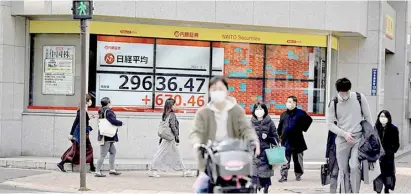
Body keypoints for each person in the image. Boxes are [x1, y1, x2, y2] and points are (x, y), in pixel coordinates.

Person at [189, 76, 260, 176]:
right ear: (209, 92)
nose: (217, 92)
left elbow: (246, 128)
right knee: (202, 187)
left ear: (227, 91)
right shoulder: (203, 112)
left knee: (244, 185)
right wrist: (197, 143)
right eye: (214, 89)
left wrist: (253, 140)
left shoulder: (236, 110)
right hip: (210, 158)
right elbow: (196, 132)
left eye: (220, 89)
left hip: (234, 156)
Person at [326, 78, 373, 193]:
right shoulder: (334, 102)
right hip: (342, 140)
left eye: (347, 92)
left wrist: (369, 137)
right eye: (342, 92)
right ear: (338, 91)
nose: (345, 95)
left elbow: (368, 118)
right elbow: (329, 124)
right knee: (344, 171)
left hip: (358, 139)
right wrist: (344, 134)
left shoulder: (359, 98)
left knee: (354, 166)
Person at [148, 98, 193, 178]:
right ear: (171, 105)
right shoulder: (171, 114)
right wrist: (176, 136)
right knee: (160, 153)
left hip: (167, 138)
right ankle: (152, 170)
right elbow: (172, 126)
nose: (175, 106)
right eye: (174, 104)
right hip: (170, 138)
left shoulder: (165, 113)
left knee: (177, 154)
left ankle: (184, 170)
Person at [277, 96, 312, 182]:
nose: (288, 103)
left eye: (290, 101)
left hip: (297, 140)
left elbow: (309, 120)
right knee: (285, 160)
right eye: (287, 101)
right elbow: (280, 126)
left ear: (295, 103)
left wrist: (302, 127)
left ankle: (298, 175)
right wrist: (278, 135)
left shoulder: (300, 113)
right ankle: (284, 176)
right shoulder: (283, 114)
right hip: (286, 141)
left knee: (298, 161)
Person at [57, 94, 96, 172]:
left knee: (84, 149)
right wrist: (71, 133)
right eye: (90, 100)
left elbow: (83, 120)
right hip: (80, 134)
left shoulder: (83, 110)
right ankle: (62, 163)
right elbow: (76, 122)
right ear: (87, 101)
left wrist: (89, 118)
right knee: (76, 150)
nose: (91, 101)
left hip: (83, 133)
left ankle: (92, 166)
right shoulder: (82, 111)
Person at [251, 103, 279, 193]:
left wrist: (267, 137)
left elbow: (276, 139)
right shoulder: (250, 123)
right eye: (257, 109)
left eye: (261, 109)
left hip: (266, 155)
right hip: (254, 154)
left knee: (265, 177)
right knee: (254, 177)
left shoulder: (270, 122)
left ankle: (265, 191)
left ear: (265, 110)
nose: (259, 111)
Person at [94, 97, 123, 177]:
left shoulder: (101, 111)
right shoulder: (109, 112)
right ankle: (97, 171)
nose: (111, 104)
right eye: (110, 102)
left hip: (106, 135)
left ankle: (112, 169)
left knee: (113, 151)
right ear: (108, 103)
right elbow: (113, 121)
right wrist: (120, 123)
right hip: (107, 136)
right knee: (103, 154)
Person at [373, 110, 400, 193]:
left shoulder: (393, 128)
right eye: (381, 116)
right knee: (378, 178)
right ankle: (378, 191)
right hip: (378, 157)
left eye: (384, 116)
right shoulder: (376, 128)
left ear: (388, 118)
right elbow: (372, 141)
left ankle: (387, 189)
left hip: (388, 158)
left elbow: (396, 144)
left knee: (388, 178)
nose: (383, 118)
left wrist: (390, 152)